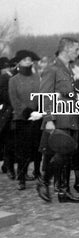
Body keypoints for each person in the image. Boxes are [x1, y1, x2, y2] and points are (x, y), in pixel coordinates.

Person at [36, 37, 79, 203]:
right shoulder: (52, 69)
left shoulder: (67, 69)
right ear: (66, 50)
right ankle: (44, 180)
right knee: (61, 154)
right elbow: (45, 96)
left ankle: (64, 191)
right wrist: (49, 118)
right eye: (76, 50)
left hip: (70, 117)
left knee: (68, 154)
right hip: (59, 119)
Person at [8, 50, 42, 190]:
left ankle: (37, 172)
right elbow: (14, 99)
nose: (28, 62)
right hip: (22, 119)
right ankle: (21, 177)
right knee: (23, 150)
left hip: (37, 117)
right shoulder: (13, 80)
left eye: (30, 60)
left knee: (38, 148)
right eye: (25, 60)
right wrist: (28, 111)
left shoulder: (37, 77)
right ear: (19, 62)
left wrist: (39, 110)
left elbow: (42, 94)